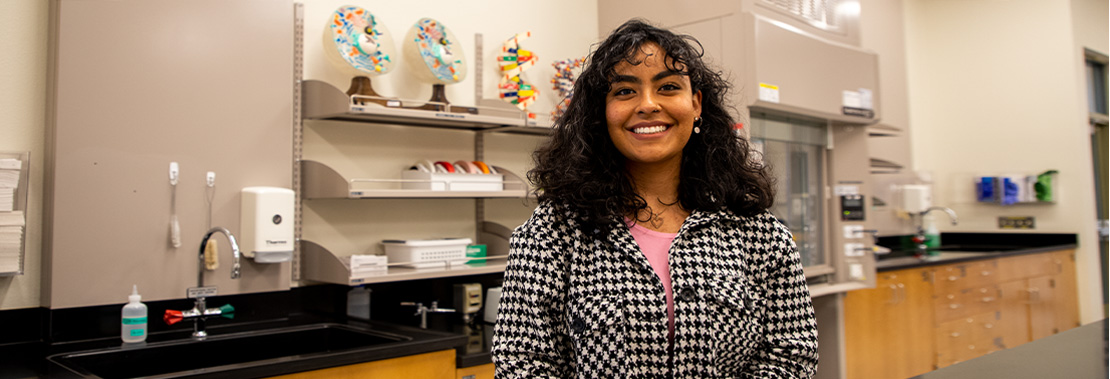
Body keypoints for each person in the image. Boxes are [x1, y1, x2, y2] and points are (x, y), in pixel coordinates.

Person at [491, 19, 818, 378]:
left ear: (696, 104)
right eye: (625, 91)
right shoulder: (554, 233)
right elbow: (522, 363)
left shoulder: (758, 233)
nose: (647, 104)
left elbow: (792, 355)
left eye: (668, 87)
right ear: (602, 111)